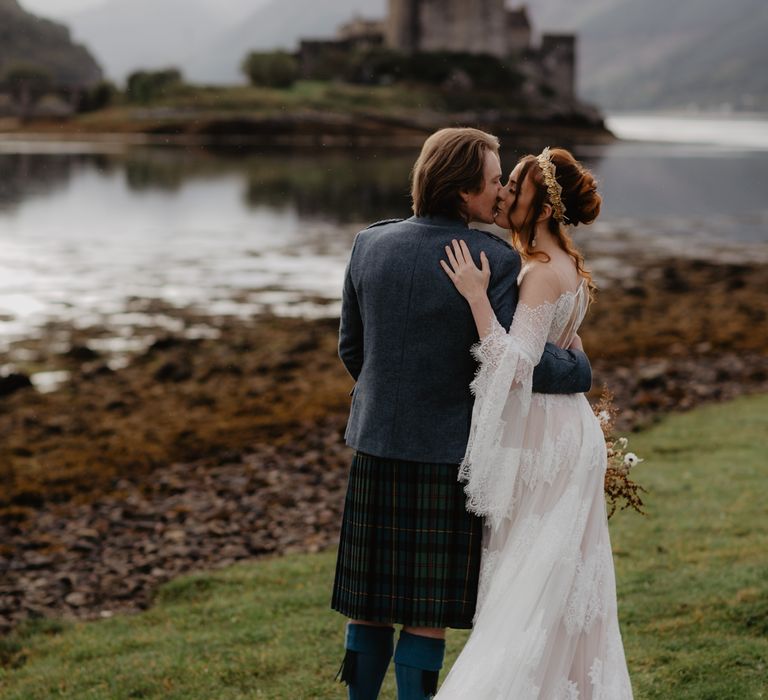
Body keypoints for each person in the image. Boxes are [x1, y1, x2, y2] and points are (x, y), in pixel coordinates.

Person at [330, 129, 593, 700]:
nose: (500, 191)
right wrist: (580, 369)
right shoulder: (493, 260)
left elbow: (353, 349)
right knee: (425, 612)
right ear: (464, 192)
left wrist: (392, 399)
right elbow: (517, 366)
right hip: (449, 452)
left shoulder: (368, 244)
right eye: (494, 181)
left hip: (375, 443)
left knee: (368, 603)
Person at [434, 147, 633, 698]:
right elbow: (568, 350)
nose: (502, 196)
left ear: (541, 207)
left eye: (513, 188)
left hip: (546, 438)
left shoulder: (540, 273)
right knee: (558, 579)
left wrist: (477, 298)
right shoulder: (568, 265)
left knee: (531, 581)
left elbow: (514, 367)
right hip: (568, 432)